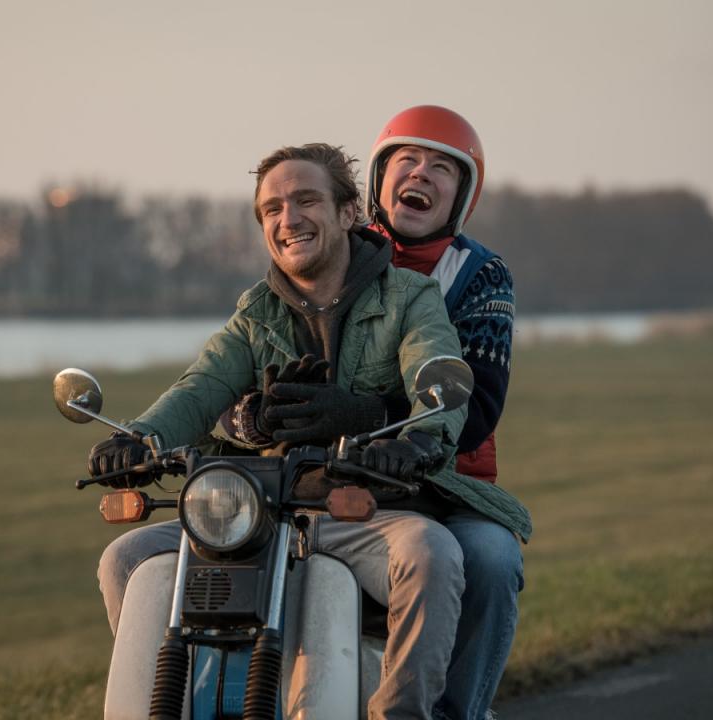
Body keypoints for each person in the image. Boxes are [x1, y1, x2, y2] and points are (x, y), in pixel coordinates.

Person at [95, 143, 473, 719]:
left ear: (348, 213)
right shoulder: (256, 311)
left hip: (362, 510)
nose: (287, 219)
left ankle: (401, 714)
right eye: (271, 209)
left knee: (432, 552)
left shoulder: (408, 296)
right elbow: (199, 389)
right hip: (260, 513)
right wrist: (138, 438)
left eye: (305, 200)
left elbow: (434, 374)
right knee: (125, 558)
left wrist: (415, 438)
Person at [218, 106, 530, 720]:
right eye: (407, 160)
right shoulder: (330, 248)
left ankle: (451, 713)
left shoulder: (477, 275)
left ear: (461, 194)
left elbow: (478, 409)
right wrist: (255, 416)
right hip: (314, 482)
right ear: (378, 181)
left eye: (442, 167)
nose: (421, 174)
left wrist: (360, 414)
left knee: (491, 560)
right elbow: (238, 365)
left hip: (441, 484)